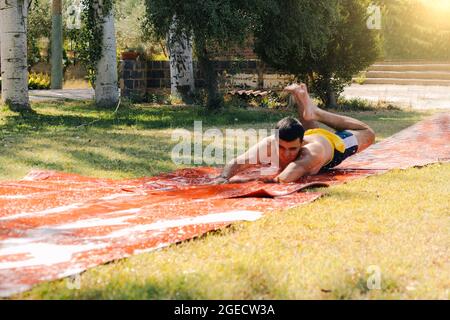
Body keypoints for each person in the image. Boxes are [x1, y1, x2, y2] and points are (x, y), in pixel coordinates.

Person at [214, 83, 375, 183]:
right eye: (282, 148)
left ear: (301, 143)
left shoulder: (311, 153)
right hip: (310, 133)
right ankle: (305, 106)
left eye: (293, 149)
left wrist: (244, 182)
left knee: (368, 133)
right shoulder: (271, 142)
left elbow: (286, 176)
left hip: (334, 145)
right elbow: (240, 161)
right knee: (308, 127)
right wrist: (224, 177)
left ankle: (317, 112)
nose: (286, 154)